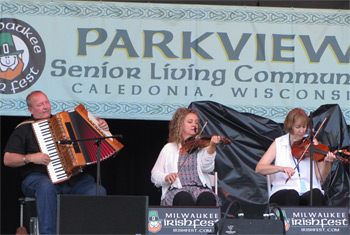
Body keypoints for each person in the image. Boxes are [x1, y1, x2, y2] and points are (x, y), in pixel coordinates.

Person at [4, 91, 109, 234]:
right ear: (31, 109)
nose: (46, 107)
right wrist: (29, 158)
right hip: (39, 178)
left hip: (72, 179)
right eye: (40, 105)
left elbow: (91, 143)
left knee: (97, 191)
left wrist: (101, 128)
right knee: (46, 186)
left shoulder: (65, 123)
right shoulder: (24, 129)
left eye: (47, 102)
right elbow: (8, 159)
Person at [255, 108, 336, 206]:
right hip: (283, 189)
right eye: (298, 127)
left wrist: (327, 162)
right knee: (291, 194)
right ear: (290, 127)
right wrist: (281, 168)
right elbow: (259, 168)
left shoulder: (312, 144)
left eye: (304, 127)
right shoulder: (279, 143)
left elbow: (321, 177)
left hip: (308, 189)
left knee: (316, 194)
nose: (302, 131)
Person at [151, 107, 221, 206]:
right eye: (190, 122)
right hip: (177, 190)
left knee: (207, 197)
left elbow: (207, 168)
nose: (194, 125)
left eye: (196, 122)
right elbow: (155, 174)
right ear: (180, 125)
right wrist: (166, 177)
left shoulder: (202, 147)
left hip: (200, 189)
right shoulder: (169, 148)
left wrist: (212, 148)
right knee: (184, 197)